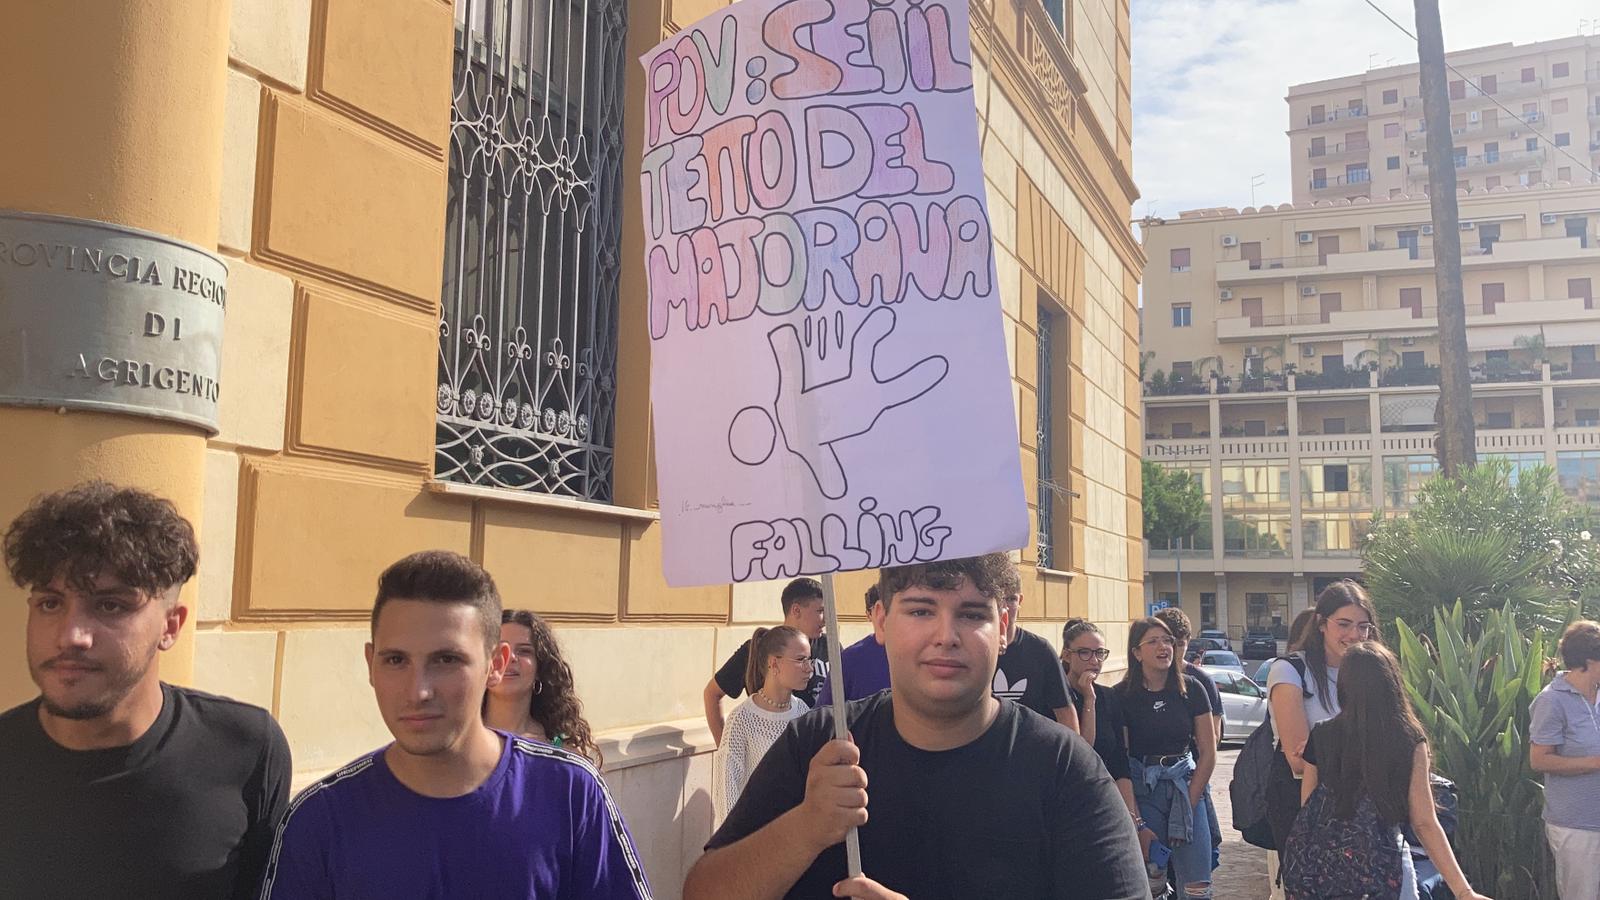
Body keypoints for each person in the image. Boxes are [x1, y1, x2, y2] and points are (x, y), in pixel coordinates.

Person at [683, 554, 1147, 900]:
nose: (945, 635)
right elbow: (702, 891)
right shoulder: (817, 746)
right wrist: (806, 827)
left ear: (1003, 627)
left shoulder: (1067, 771)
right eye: (921, 610)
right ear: (881, 621)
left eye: (971, 614)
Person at [261, 550, 650, 898]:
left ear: (495, 665)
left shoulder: (570, 793)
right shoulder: (318, 820)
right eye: (396, 660)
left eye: (446, 660)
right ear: (370, 664)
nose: (418, 691)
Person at [0, 482, 291, 900]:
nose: (71, 636)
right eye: (50, 603)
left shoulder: (246, 748)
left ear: (170, 626)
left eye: (110, 605)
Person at [1286, 642, 1488, 900]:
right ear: (1393, 684)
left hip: (1323, 872)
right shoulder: (1408, 739)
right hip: (1384, 869)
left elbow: (1309, 807)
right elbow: (1424, 822)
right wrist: (1463, 891)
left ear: (1345, 685)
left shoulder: (1322, 734)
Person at [1266, 579, 1379, 890]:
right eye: (1344, 624)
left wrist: (1325, 749)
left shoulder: (1373, 673)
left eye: (1363, 626)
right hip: (1301, 803)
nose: (1355, 635)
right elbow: (1299, 762)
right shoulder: (1289, 670)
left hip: (1362, 803)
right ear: (1321, 624)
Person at [1117, 616, 1216, 900]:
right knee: (1152, 878)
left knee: (1197, 884)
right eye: (1153, 641)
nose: (1163, 647)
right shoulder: (1122, 696)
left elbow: (1208, 753)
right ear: (1136, 652)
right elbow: (1121, 761)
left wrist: (1190, 802)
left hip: (1186, 786)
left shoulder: (1192, 689)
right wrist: (1137, 822)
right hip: (1144, 790)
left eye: (1167, 641)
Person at [1061, 619, 1150, 857]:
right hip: (1067, 806)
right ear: (1067, 655)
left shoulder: (1109, 697)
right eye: (1085, 653)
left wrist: (1134, 819)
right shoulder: (1056, 696)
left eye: (1100, 653)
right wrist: (1088, 701)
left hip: (1105, 803)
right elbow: (1082, 750)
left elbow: (1120, 761)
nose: (1094, 660)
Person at [705, 577, 829, 744]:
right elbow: (712, 693)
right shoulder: (758, 648)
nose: (825, 619)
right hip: (769, 754)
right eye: (820, 611)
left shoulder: (831, 647)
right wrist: (725, 747)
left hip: (815, 753)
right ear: (796, 610)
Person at [713, 625, 813, 825]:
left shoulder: (804, 714)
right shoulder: (741, 719)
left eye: (809, 660)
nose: (809, 668)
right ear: (773, 663)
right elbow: (727, 791)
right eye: (801, 660)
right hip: (753, 839)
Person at [1529, 620, 1600, 900]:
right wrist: (1594, 763)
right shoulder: (1552, 701)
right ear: (1590, 660)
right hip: (1577, 825)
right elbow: (1540, 760)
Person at [1155, 607, 1224, 873]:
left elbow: (1212, 739)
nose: (1173, 650)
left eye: (1180, 643)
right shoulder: (1140, 681)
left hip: (1191, 779)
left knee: (1198, 857)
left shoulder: (1199, 681)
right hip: (1152, 784)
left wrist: (1194, 790)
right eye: (1166, 641)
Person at [484, 609, 601, 763]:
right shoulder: (454, 741)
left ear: (540, 669)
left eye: (524, 651)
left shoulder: (561, 753)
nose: (510, 657)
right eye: (499, 650)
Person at [994, 567, 1079, 732]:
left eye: (1011, 599)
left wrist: (1074, 755)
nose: (1005, 607)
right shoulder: (974, 650)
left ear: (1020, 601)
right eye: (999, 599)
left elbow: (1065, 713)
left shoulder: (1040, 651)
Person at [816, 585, 891, 703]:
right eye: (882, 609)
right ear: (869, 614)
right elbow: (826, 712)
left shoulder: (921, 653)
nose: (885, 616)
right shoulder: (849, 659)